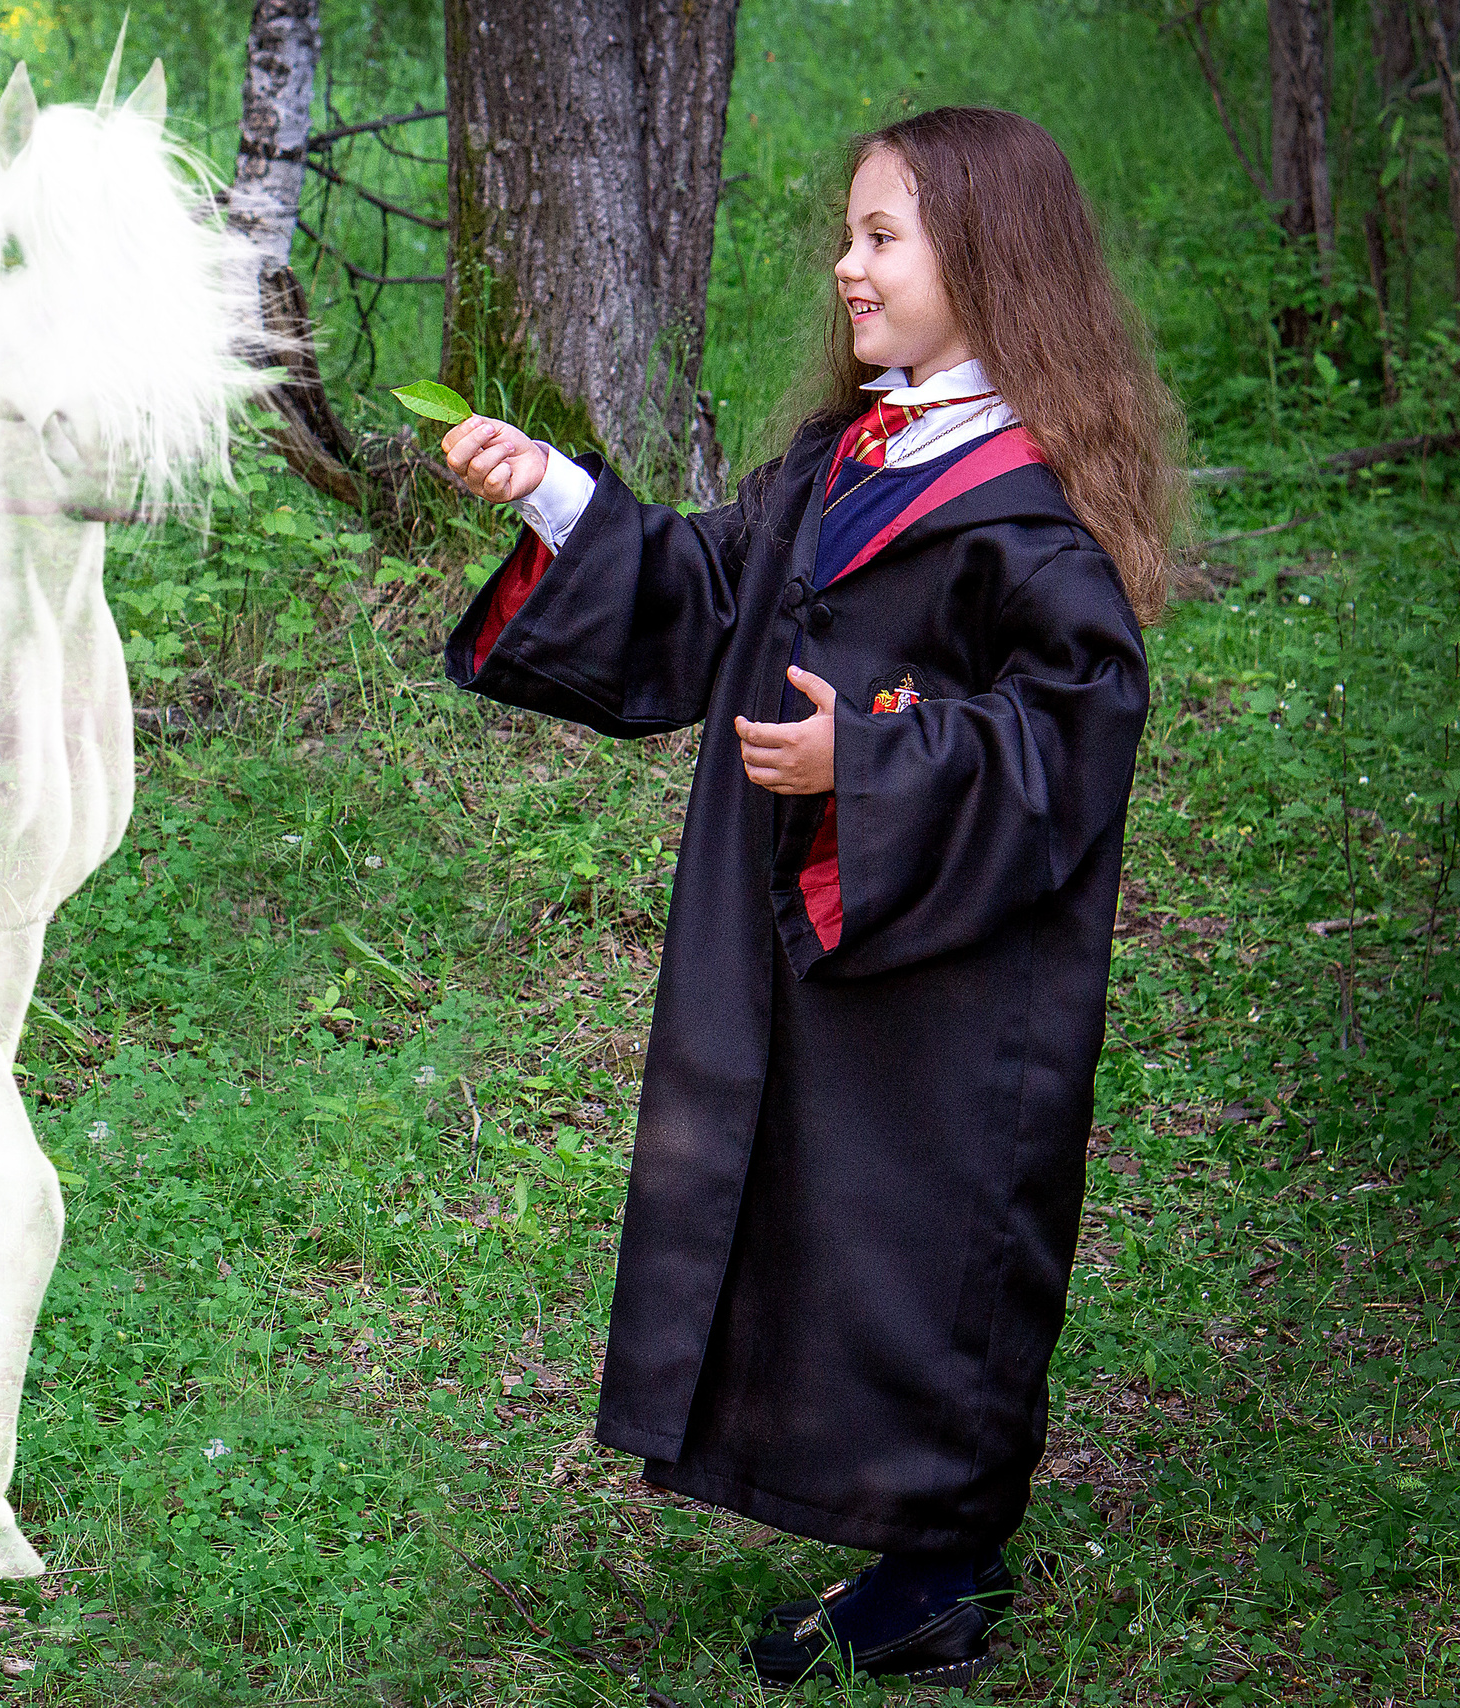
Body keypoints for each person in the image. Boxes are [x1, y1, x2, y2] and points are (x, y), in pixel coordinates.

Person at [439, 106, 1181, 1688]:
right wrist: (561, 501)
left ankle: (944, 1568)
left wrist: (877, 758)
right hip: (818, 948)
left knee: (935, 1236)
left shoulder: (1021, 506)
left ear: (986, 259)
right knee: (828, 1225)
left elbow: (1076, 728)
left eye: (882, 237)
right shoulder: (859, 452)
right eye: (849, 236)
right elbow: (710, 591)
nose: (847, 269)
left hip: (955, 984)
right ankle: (896, 1543)